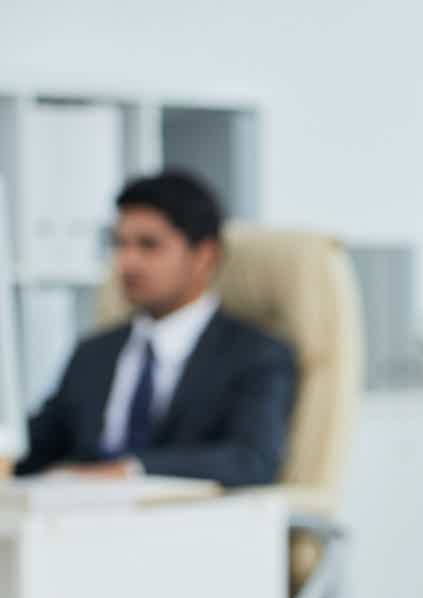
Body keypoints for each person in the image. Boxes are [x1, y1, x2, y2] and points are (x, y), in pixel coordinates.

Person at [12, 170, 296, 485]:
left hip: (184, 524)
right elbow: (36, 443)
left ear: (205, 255)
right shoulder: (94, 352)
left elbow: (250, 460)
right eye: (119, 244)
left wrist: (131, 470)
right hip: (78, 518)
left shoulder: (255, 354)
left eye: (149, 245)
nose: (127, 262)